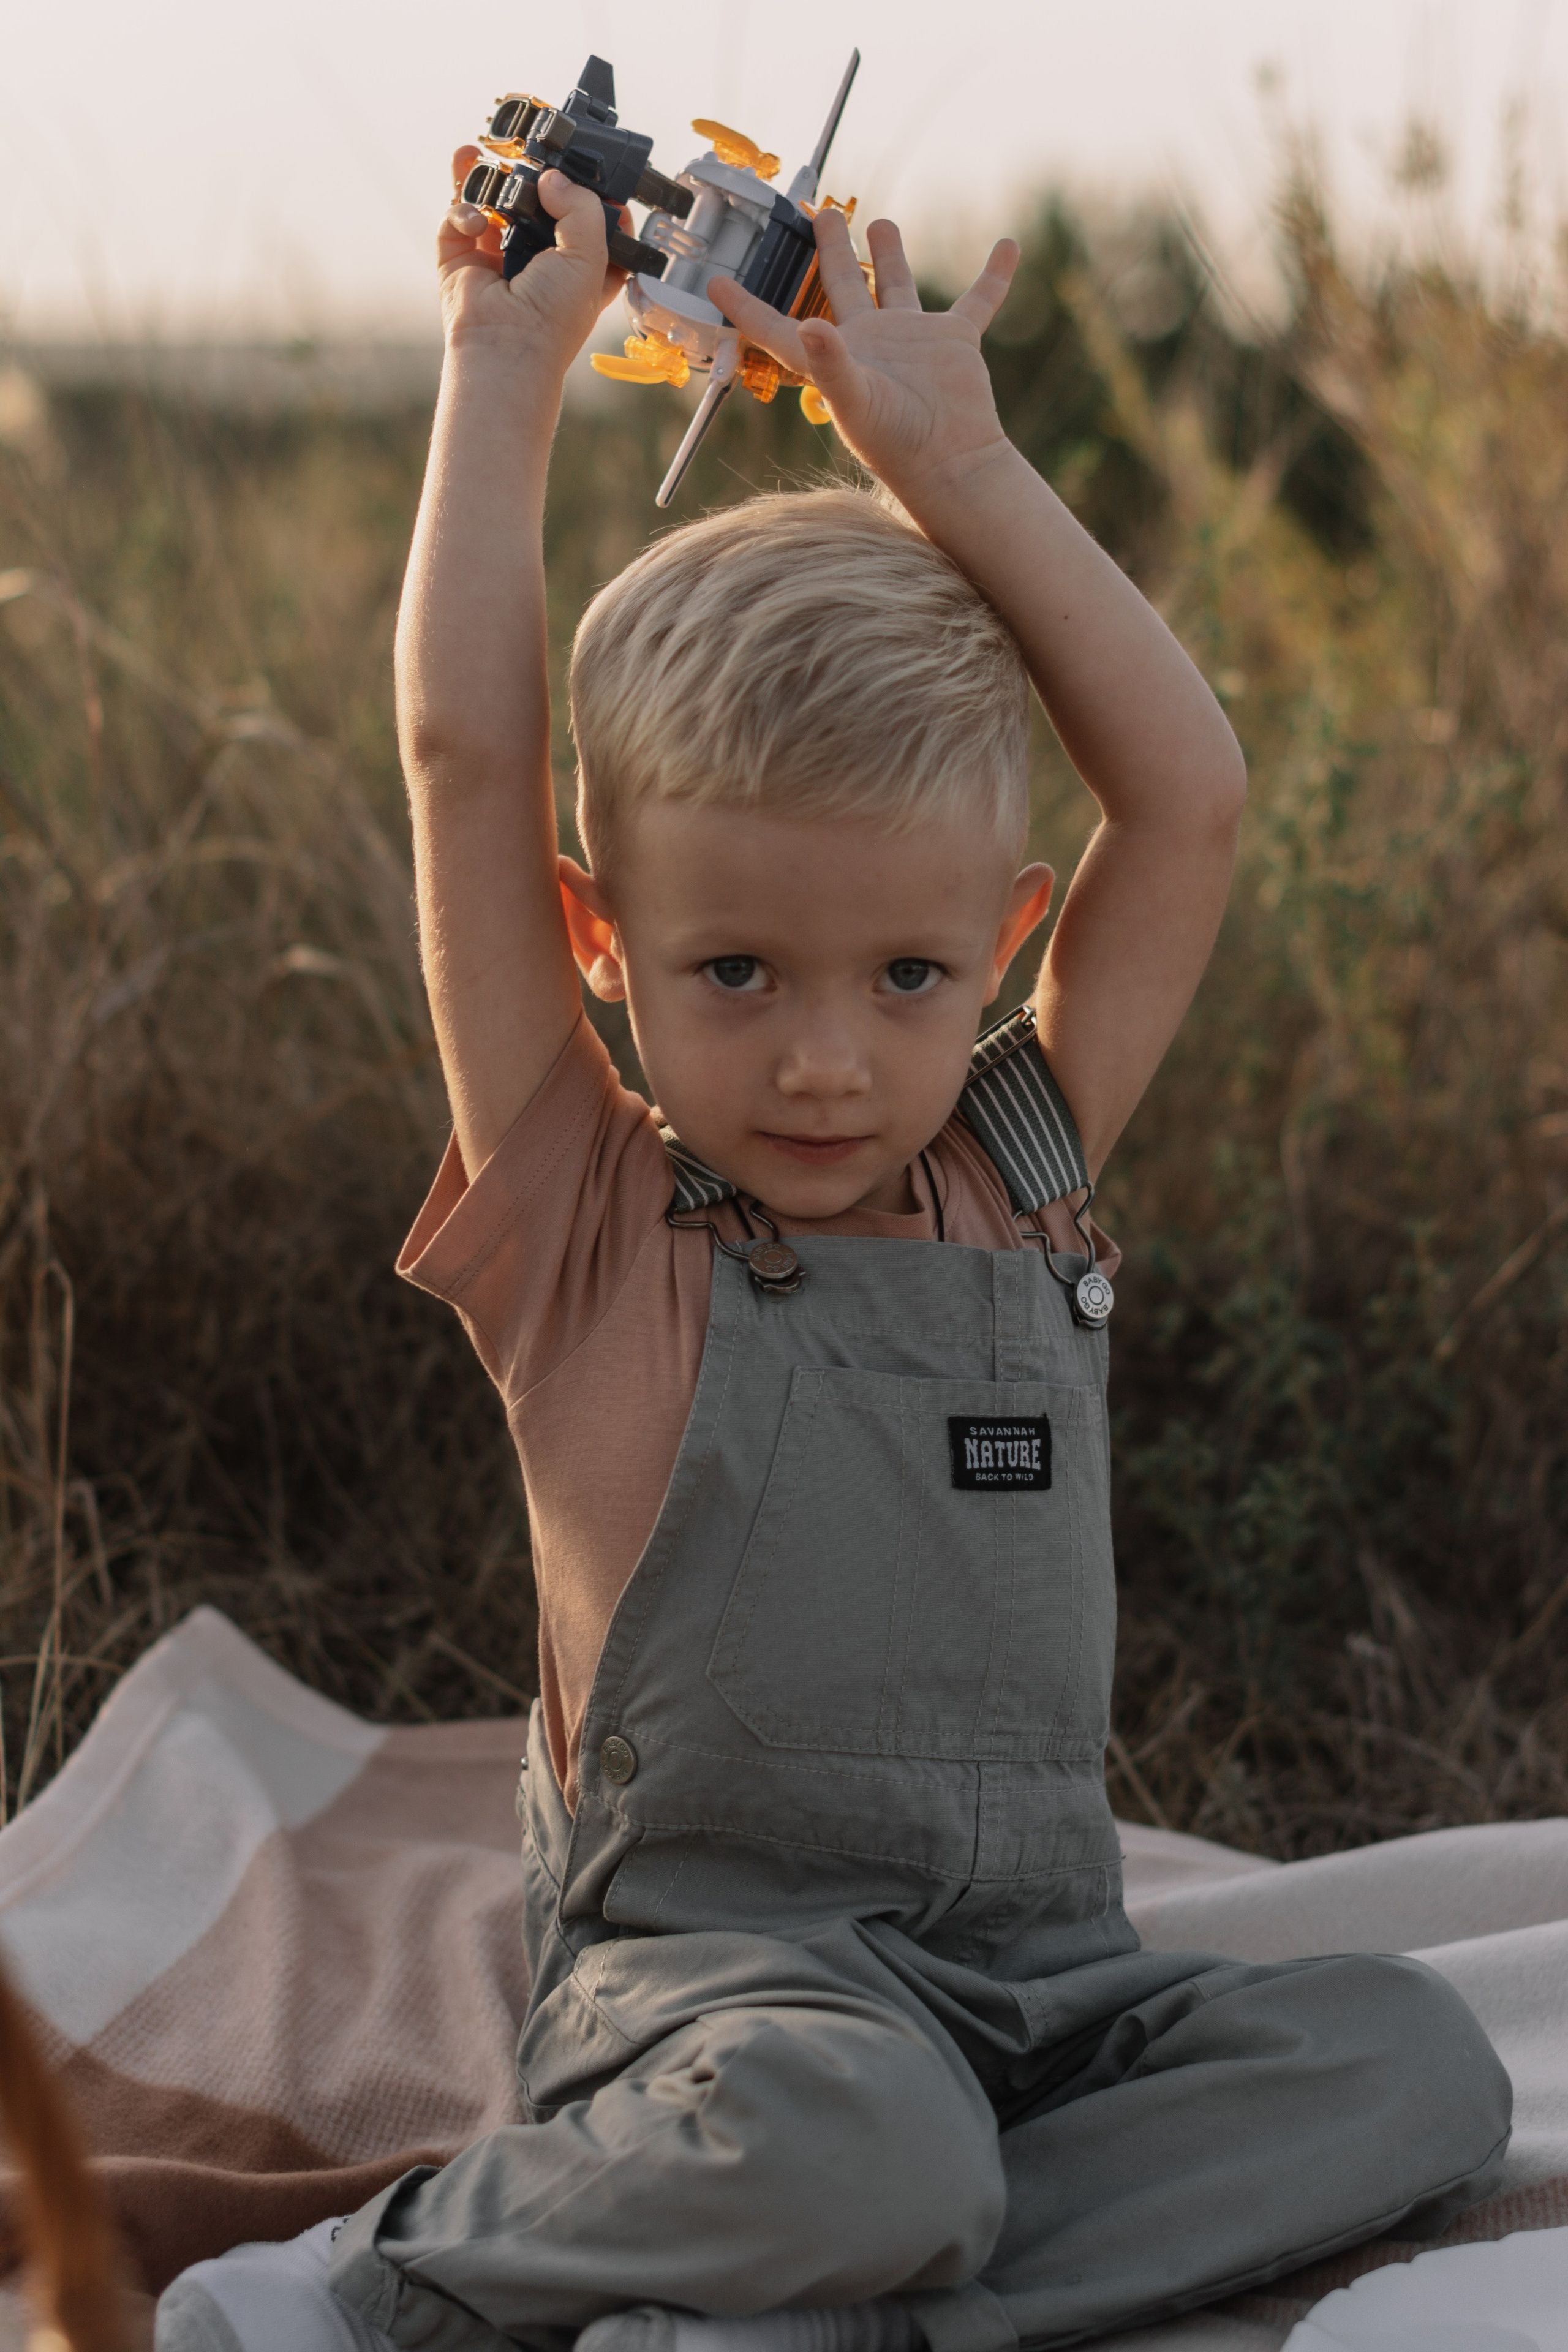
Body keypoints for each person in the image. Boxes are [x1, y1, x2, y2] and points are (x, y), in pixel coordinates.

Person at [157, 153, 1511, 2352]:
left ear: (1004, 938)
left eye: (905, 977)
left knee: (1414, 2064)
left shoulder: (1015, 1170)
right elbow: (465, 758)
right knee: (860, 2142)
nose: (823, 1060)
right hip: (723, 2008)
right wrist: (505, 366)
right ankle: (379, 2286)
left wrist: (950, 460)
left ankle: (838, 2296)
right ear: (604, 945)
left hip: (1042, 1996)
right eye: (736, 973)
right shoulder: (587, 1214)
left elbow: (1187, 796)